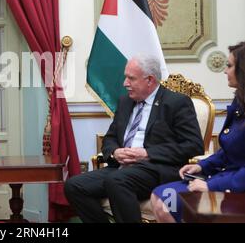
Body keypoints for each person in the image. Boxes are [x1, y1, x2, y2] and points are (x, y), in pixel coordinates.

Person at [64, 54, 204, 223]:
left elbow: (194, 145)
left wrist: (147, 153)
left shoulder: (176, 103)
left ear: (150, 80)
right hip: (121, 168)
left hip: (156, 169)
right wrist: (115, 152)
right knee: (74, 186)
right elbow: (110, 138)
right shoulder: (125, 102)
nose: (125, 83)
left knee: (116, 181)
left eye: (131, 78)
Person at [151, 42, 245, 223]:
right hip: (221, 177)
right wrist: (202, 166)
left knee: (165, 204)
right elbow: (227, 152)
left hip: (234, 187)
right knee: (160, 196)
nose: (225, 71)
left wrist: (210, 185)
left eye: (230, 66)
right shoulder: (239, 103)